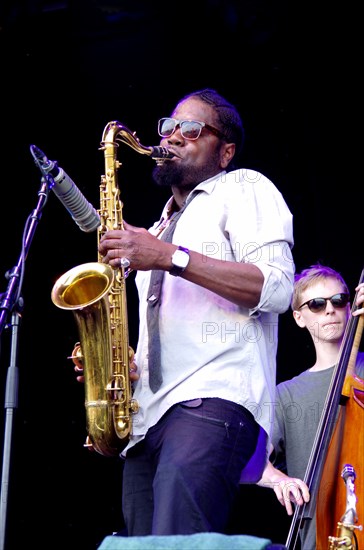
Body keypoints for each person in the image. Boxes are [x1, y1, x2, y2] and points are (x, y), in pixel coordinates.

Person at [77, 88, 295, 537]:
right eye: (169, 126)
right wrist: (118, 361)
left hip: (210, 402)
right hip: (147, 421)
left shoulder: (243, 187)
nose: (174, 136)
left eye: (192, 129)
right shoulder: (158, 226)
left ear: (225, 151)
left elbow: (277, 288)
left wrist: (169, 256)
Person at [258, 264, 364, 550]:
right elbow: (249, 459)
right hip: (318, 533)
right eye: (316, 304)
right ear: (299, 317)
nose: (329, 310)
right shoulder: (286, 394)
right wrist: (276, 478)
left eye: (339, 300)